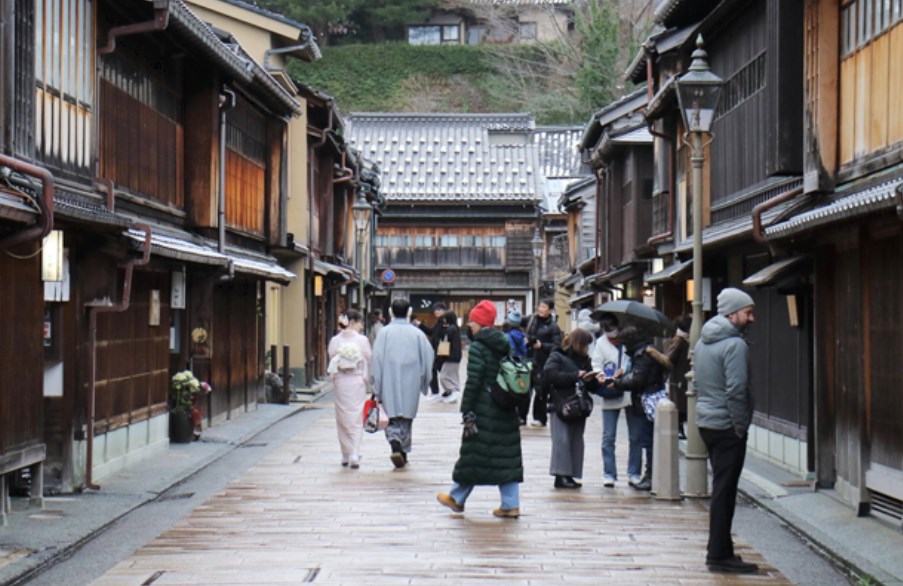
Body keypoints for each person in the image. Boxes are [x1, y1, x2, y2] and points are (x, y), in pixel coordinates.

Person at [437, 300, 524, 518]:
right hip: (505, 405)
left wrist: (466, 408)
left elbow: (474, 381)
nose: (469, 325)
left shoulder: (478, 347)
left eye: (472, 321)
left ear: (480, 323)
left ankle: (457, 498)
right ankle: (510, 504)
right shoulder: (505, 343)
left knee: (473, 455)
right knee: (507, 457)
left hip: (485, 408)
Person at [695, 288, 758, 574]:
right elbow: (736, 390)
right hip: (727, 425)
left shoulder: (702, 342)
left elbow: (697, 384)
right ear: (732, 314)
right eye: (747, 312)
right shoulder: (735, 345)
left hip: (707, 422)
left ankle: (721, 550)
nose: (751, 318)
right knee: (724, 491)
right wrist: (740, 427)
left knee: (721, 488)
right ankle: (719, 554)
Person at [371, 297, 434, 468]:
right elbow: (429, 358)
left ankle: (394, 441)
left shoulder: (384, 333)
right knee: (406, 417)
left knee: (391, 415)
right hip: (411, 381)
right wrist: (425, 381)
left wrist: (375, 384)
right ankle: (403, 449)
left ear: (391, 312)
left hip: (388, 380)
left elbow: (376, 359)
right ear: (409, 313)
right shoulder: (418, 334)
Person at [611, 325, 670, 491]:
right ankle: (651, 474)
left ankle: (651, 476)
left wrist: (617, 383)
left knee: (649, 440)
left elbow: (638, 380)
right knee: (650, 440)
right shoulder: (648, 352)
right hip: (652, 398)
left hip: (646, 401)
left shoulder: (642, 355)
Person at [544, 328, 599, 489]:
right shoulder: (557, 355)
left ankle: (571, 474)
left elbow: (591, 385)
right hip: (560, 403)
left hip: (578, 405)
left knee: (576, 440)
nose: (587, 349)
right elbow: (550, 375)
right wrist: (575, 375)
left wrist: (594, 379)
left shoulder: (585, 360)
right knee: (562, 440)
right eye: (585, 345)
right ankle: (561, 475)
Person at [590, 312, 635, 488]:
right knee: (608, 437)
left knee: (635, 437)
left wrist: (624, 370)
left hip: (629, 390)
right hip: (610, 390)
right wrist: (601, 375)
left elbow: (633, 361)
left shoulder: (628, 341)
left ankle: (634, 473)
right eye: (609, 334)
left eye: (614, 334)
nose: (612, 338)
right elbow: (595, 364)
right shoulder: (600, 344)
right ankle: (609, 473)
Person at [326, 309, 371, 469]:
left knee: (342, 416)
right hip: (357, 380)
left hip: (341, 381)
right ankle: (353, 452)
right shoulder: (362, 340)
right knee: (356, 416)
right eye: (360, 322)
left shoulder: (335, 340)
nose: (361, 326)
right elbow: (368, 358)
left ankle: (345, 454)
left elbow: (332, 358)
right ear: (352, 322)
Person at [521, 298, 562, 427]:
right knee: (524, 389)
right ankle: (521, 416)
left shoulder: (553, 326)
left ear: (550, 310)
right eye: (540, 306)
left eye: (544, 307)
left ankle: (539, 418)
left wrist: (542, 346)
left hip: (543, 362)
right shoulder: (531, 320)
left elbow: (557, 345)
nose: (541, 309)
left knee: (541, 391)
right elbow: (517, 322)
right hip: (528, 359)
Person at [665, 315, 692, 439]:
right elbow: (670, 358)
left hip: (680, 376)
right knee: (680, 404)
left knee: (681, 403)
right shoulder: (681, 339)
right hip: (679, 376)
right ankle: (679, 429)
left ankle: (680, 429)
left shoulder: (681, 339)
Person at [415, 302, 448, 401]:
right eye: (435, 310)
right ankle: (437, 392)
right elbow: (431, 332)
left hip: (442, 351)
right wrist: (420, 325)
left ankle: (446, 392)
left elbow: (444, 337)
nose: (436, 312)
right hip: (436, 350)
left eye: (439, 309)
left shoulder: (445, 322)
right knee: (436, 371)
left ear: (444, 310)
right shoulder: (439, 322)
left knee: (441, 372)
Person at [437, 310, 463, 403]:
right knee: (454, 375)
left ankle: (453, 391)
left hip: (450, 356)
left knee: (444, 376)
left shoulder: (450, 329)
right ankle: (451, 392)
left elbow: (444, 341)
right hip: (457, 355)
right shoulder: (455, 328)